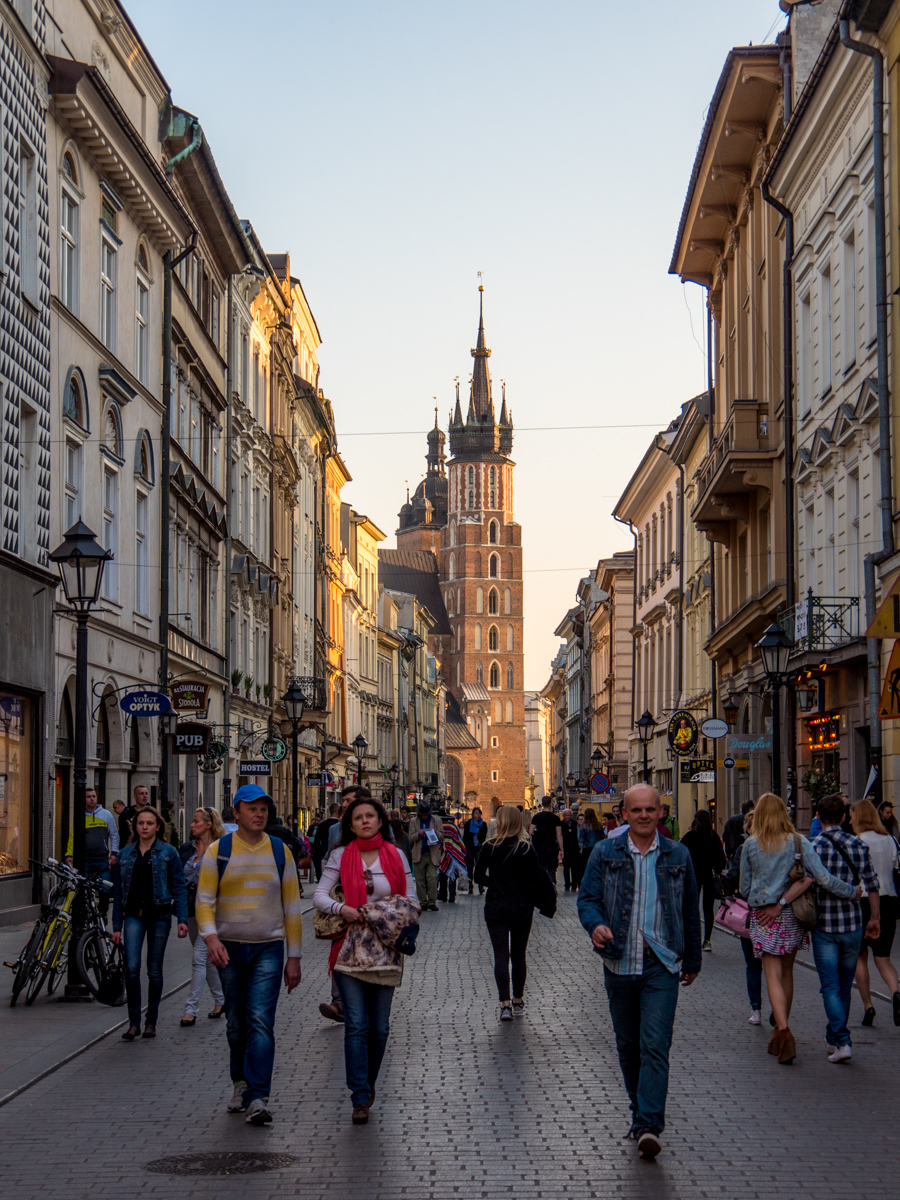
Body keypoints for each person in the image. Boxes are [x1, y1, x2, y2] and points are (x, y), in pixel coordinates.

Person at [577, 784, 701, 1161]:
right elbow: (587, 899)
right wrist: (595, 924)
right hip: (618, 962)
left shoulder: (679, 855)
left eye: (651, 810)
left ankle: (648, 1124)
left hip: (661, 965)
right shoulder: (605, 852)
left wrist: (692, 959)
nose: (644, 815)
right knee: (629, 1048)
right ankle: (638, 1111)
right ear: (625, 813)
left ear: (660, 812)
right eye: (637, 810)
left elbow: (689, 911)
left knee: (654, 1045)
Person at [196, 786, 303, 1125]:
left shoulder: (279, 851)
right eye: (252, 808)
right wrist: (211, 939)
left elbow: (292, 906)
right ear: (237, 813)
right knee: (236, 1024)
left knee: (259, 1019)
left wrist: (294, 957)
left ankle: (258, 1096)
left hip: (268, 949)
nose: (259, 814)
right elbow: (204, 901)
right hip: (228, 947)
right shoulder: (219, 851)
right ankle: (240, 1083)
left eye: (264, 808)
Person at [314, 795, 414, 1125]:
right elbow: (319, 895)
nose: (365, 821)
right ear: (350, 824)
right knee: (356, 1025)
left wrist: (380, 913)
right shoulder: (342, 855)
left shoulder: (396, 855)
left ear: (381, 821)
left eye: (370, 816)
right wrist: (342, 909)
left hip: (385, 950)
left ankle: (368, 1083)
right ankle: (359, 1096)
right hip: (348, 950)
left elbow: (411, 900)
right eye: (358, 818)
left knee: (380, 1029)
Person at [740, 792, 858, 1066]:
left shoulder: (752, 845)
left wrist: (763, 894)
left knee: (771, 974)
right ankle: (781, 1029)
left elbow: (745, 888)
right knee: (788, 971)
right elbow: (823, 878)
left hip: (764, 915)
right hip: (793, 914)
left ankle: (783, 1031)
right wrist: (852, 891)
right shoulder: (798, 841)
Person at [810, 793, 880, 1063]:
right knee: (843, 984)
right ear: (843, 816)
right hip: (852, 924)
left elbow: (807, 882)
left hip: (824, 925)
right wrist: (875, 918)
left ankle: (842, 1040)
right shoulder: (858, 845)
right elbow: (872, 886)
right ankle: (833, 1038)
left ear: (818, 817)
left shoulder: (813, 846)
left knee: (829, 985)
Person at [112, 806, 188, 1042]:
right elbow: (117, 892)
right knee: (132, 968)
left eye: (149, 823)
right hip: (133, 915)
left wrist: (182, 919)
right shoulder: (125, 854)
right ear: (135, 826)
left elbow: (179, 886)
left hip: (160, 915)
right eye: (140, 823)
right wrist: (116, 926)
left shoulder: (168, 852)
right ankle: (134, 1022)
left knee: (154, 970)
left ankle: (151, 1021)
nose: (144, 827)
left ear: (158, 826)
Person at [474, 805, 556, 1020]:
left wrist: (495, 883)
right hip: (522, 907)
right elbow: (538, 876)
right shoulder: (526, 848)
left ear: (500, 822)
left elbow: (478, 876)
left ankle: (505, 1004)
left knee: (500, 956)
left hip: (496, 907)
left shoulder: (489, 846)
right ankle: (519, 1000)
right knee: (519, 955)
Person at [849, 799, 900, 1026]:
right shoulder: (890, 840)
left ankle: (868, 1006)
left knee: (861, 957)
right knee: (883, 957)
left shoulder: (857, 841)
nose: (849, 820)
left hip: (863, 901)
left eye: (851, 815)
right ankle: (896, 992)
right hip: (889, 900)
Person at [179, 807, 226, 1026]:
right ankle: (221, 1000)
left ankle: (191, 1009)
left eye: (196, 821)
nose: (191, 825)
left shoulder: (221, 849)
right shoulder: (187, 849)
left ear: (209, 824)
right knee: (207, 961)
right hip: (191, 909)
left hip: (213, 910)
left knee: (199, 958)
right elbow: (179, 881)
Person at [65, 786, 119, 917]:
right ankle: (83, 916)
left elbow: (114, 835)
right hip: (85, 860)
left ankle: (102, 914)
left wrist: (114, 853)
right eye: (89, 797)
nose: (92, 799)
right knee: (81, 890)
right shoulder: (80, 816)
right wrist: (69, 854)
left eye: (94, 796)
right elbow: (73, 836)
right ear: (84, 800)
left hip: (102, 860)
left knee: (105, 890)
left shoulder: (106, 814)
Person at [679, 810, 726, 952]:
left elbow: (680, 856)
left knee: (692, 908)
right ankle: (707, 940)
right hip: (709, 877)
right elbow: (721, 860)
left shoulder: (689, 837)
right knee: (708, 908)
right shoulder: (713, 836)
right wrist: (716, 870)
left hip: (692, 876)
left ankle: (692, 938)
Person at [408, 801, 443, 911]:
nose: (424, 816)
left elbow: (442, 836)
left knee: (432, 878)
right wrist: (418, 834)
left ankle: (432, 902)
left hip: (432, 853)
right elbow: (410, 837)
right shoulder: (414, 821)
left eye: (426, 814)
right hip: (419, 854)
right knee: (420, 880)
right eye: (422, 814)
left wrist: (436, 832)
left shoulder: (436, 820)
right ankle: (423, 902)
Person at [529, 796, 563, 880]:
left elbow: (530, 832)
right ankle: (552, 885)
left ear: (542, 804)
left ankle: (542, 886)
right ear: (550, 803)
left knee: (541, 867)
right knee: (552, 868)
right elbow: (559, 834)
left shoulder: (536, 817)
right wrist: (561, 849)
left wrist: (537, 834)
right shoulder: (555, 818)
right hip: (551, 846)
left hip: (539, 846)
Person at [438, 812, 467, 903]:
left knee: (443, 875)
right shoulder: (454, 827)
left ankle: (443, 895)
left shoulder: (439, 827)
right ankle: (452, 895)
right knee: (452, 875)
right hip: (453, 853)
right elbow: (458, 839)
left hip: (442, 853)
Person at [462, 807, 488, 894]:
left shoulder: (483, 824)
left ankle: (480, 887)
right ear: (473, 814)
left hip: (479, 848)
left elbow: (484, 836)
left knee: (479, 868)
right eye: (476, 813)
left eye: (479, 813)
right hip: (470, 848)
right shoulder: (469, 823)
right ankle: (470, 886)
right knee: (469, 868)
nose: (478, 815)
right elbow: (465, 837)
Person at [312, 803, 340, 879]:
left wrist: (320, 853)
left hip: (324, 855)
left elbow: (316, 842)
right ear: (337, 811)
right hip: (338, 857)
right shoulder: (339, 825)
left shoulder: (322, 825)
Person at [578, 809, 604, 880]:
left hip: (586, 848)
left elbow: (581, 838)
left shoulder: (583, 826)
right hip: (597, 847)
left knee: (585, 866)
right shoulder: (599, 825)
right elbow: (602, 837)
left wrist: (581, 847)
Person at [560, 809, 581, 891]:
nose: (567, 817)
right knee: (566, 868)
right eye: (566, 815)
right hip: (565, 849)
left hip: (574, 849)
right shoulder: (561, 824)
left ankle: (574, 885)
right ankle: (567, 884)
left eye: (569, 815)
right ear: (563, 816)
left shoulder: (575, 824)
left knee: (574, 868)